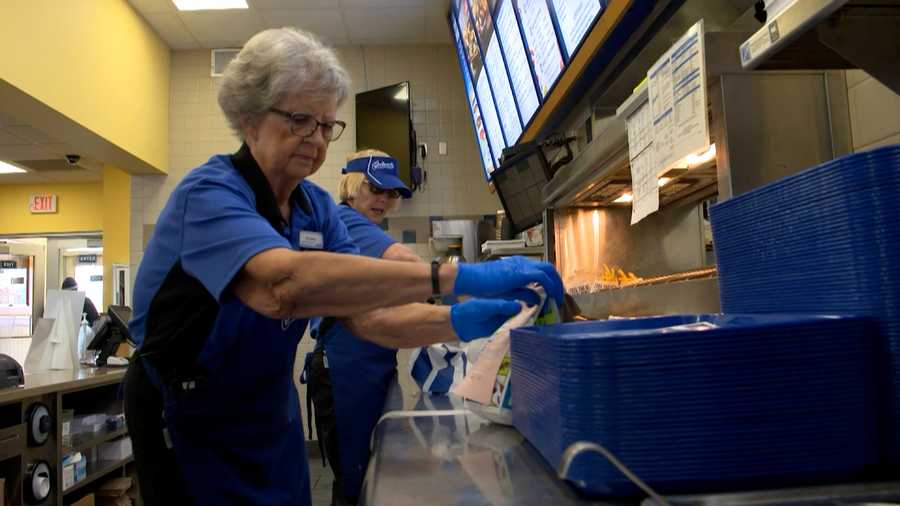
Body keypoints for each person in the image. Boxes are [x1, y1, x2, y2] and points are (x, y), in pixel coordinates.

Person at [122, 27, 563, 506]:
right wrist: (454, 276)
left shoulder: (315, 207)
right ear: (249, 119)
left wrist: (454, 320)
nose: (315, 138)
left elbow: (366, 313)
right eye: (299, 120)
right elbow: (282, 287)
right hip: (190, 415)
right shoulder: (209, 194)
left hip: (270, 412)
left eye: (326, 125)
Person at [307, 149, 421, 506]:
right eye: (375, 189)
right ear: (352, 186)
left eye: (390, 193)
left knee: (365, 479)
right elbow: (408, 264)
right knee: (354, 484)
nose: (383, 200)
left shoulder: (364, 229)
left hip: (366, 370)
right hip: (344, 372)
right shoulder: (345, 220)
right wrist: (476, 288)